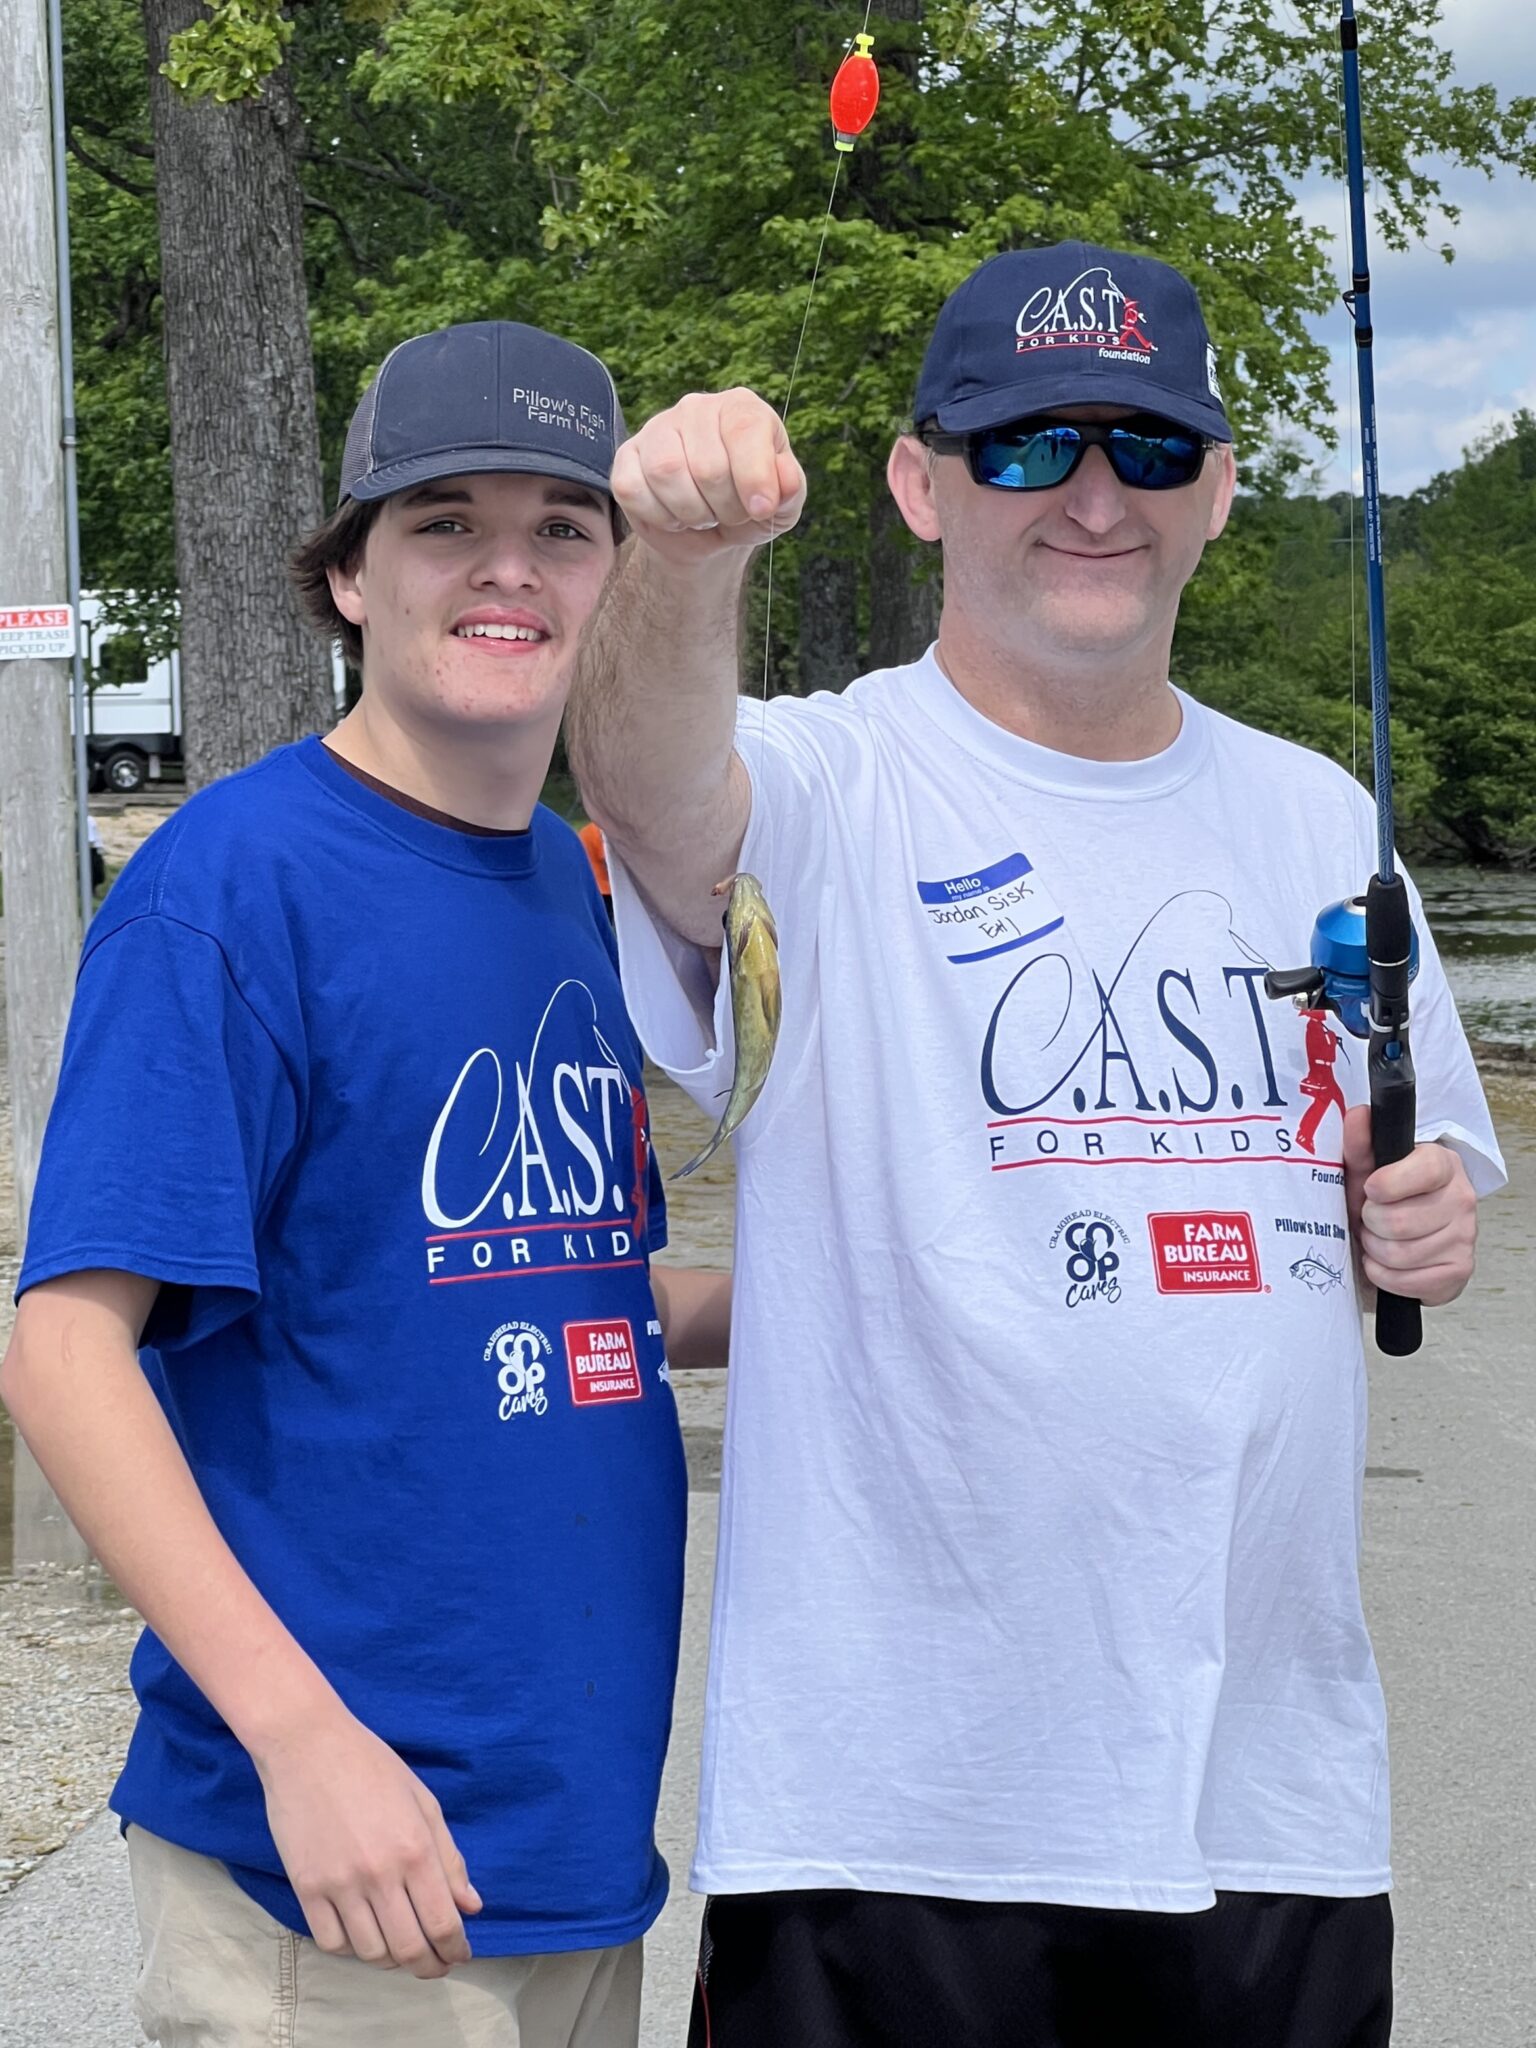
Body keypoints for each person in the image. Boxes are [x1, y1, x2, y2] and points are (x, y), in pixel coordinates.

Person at [566, 244, 1507, 2048]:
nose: (1092, 496)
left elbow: (1432, 1168)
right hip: (892, 1823)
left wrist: (1428, 1217)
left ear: (1220, 493)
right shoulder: (825, 784)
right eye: (1025, 447)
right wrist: (680, 563)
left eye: (1149, 450)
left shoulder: (1320, 811)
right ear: (922, 486)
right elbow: (653, 793)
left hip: (1274, 1809)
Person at [0, 319, 730, 2048]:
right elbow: (63, 1350)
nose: (508, 568)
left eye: (563, 525)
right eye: (443, 522)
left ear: (616, 581)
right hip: (328, 1878)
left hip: (571, 1855)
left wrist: (844, 1289)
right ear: (347, 578)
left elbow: (551, 1291)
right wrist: (301, 1741)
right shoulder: (230, 887)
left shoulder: (577, 882)